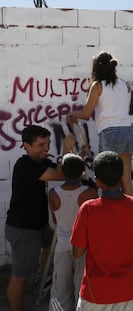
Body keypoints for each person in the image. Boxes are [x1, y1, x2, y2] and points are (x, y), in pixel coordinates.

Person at [71, 151, 133, 310]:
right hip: (128, 290)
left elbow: (77, 252)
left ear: (97, 181)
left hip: (96, 292)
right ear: (121, 175)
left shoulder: (88, 209)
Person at [5, 124, 75, 311]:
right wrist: (66, 151)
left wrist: (78, 155)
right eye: (41, 145)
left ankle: (41, 278)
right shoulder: (25, 165)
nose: (46, 149)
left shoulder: (41, 162)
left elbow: (67, 171)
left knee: (49, 244)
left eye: (48, 144)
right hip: (24, 230)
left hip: (39, 226)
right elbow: (60, 175)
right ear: (26, 146)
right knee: (20, 275)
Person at [66, 51, 133, 195]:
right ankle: (130, 214)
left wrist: (73, 114)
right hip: (128, 132)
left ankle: (107, 213)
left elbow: (86, 113)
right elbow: (128, 88)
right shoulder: (123, 85)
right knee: (126, 179)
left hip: (110, 132)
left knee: (105, 178)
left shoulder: (98, 86)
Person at [48, 153, 98, 311]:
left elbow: (55, 221)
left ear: (62, 171)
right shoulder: (90, 193)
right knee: (81, 286)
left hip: (62, 244)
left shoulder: (53, 193)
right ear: (83, 170)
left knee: (60, 288)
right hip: (83, 245)